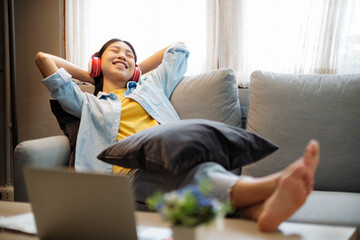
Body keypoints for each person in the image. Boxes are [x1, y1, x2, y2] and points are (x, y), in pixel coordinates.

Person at [35, 38, 320, 232]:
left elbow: (179, 49)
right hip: (126, 175)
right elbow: (43, 59)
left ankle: (257, 213)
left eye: (129, 54)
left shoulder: (151, 86)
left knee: (194, 168)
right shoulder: (88, 103)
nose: (123, 55)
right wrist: (91, 73)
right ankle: (271, 185)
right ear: (98, 62)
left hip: (173, 156)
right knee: (188, 174)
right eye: (115, 52)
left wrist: (136, 70)